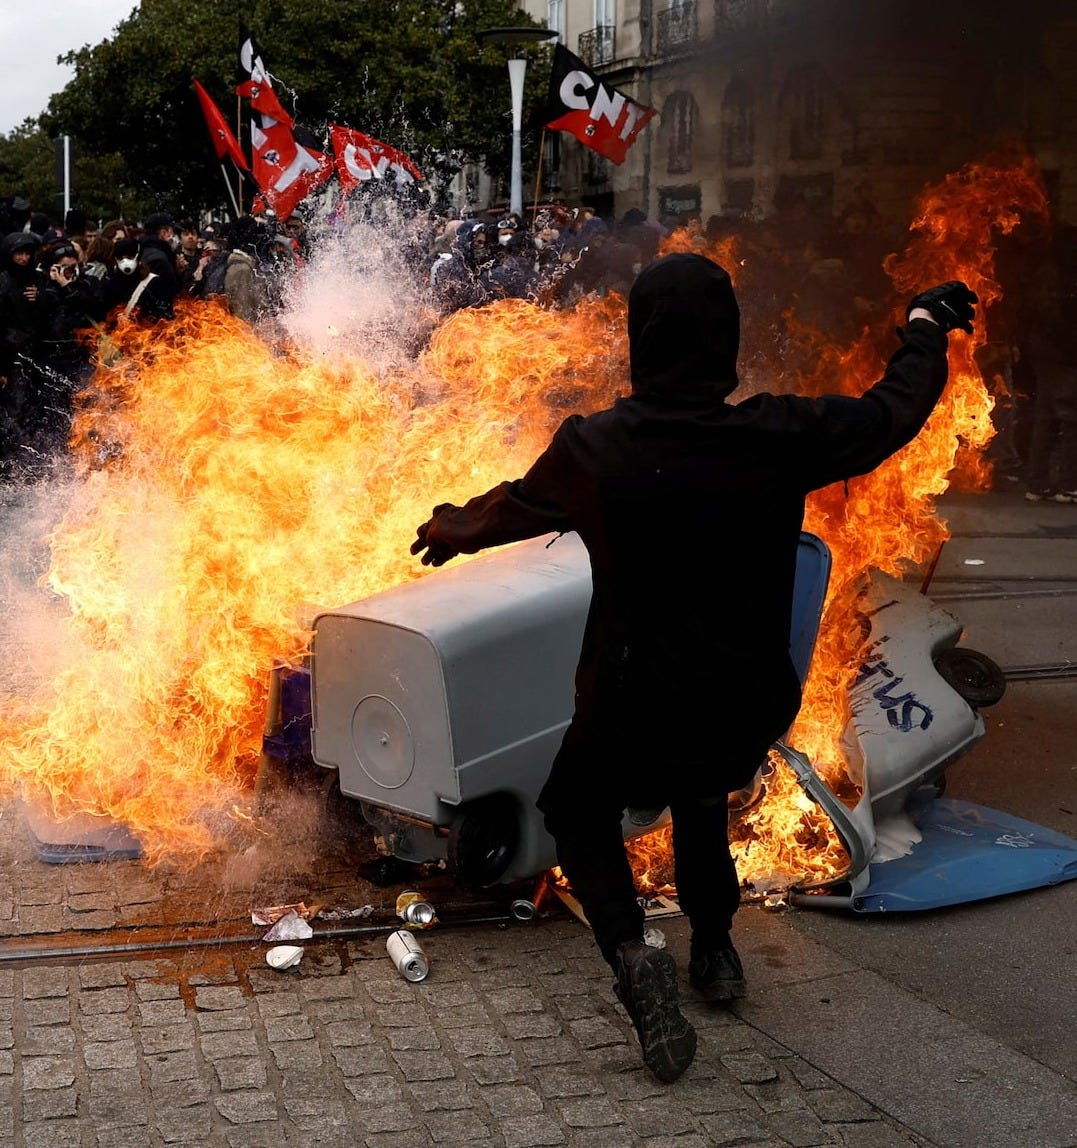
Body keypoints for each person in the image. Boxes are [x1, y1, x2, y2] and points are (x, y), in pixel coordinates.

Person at [409, 254, 976, 1083]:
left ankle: (630, 950)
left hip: (631, 696)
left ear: (641, 341)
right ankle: (713, 954)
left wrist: (452, 526)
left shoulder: (594, 447)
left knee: (575, 802)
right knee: (701, 799)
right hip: (743, 696)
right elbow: (891, 414)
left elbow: (510, 511)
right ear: (725, 343)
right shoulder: (776, 435)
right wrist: (922, 331)